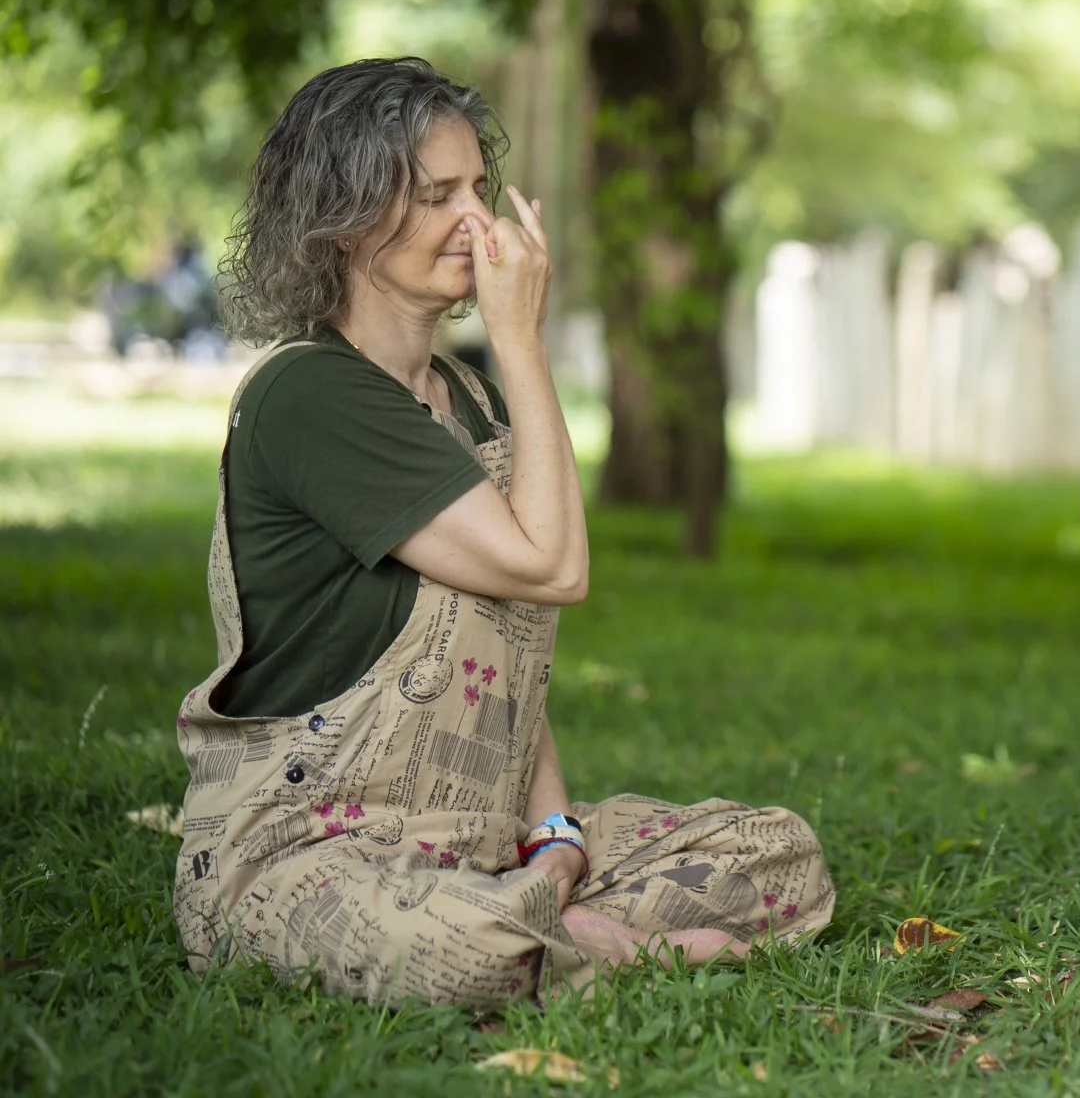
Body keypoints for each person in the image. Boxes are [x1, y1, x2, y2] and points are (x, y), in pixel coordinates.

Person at [172, 58, 833, 1008]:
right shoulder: (309, 393)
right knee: (464, 944)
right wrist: (523, 336)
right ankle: (588, 947)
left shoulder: (475, 399)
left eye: (478, 187)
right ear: (349, 220)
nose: (477, 221)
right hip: (310, 851)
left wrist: (556, 835)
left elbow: (507, 656)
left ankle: (551, 933)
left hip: (480, 846)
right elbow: (552, 568)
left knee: (777, 856)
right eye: (438, 194)